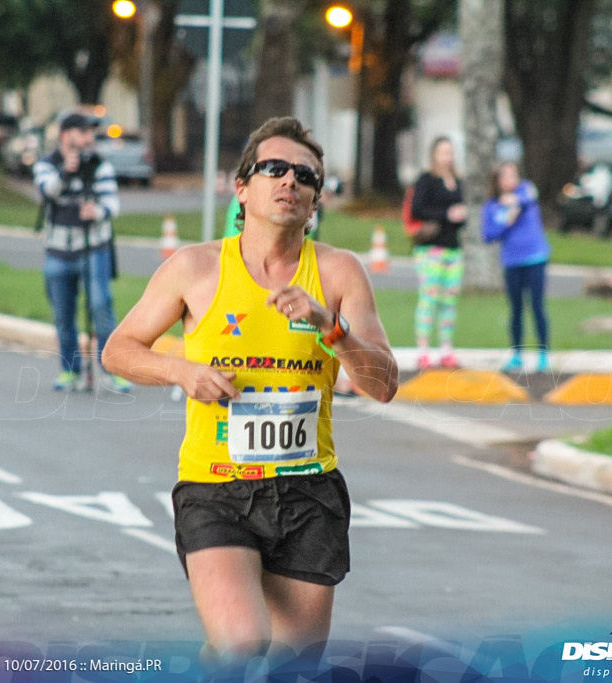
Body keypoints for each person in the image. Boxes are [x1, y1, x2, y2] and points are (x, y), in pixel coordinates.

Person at [102, 117, 398, 665]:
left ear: (315, 202)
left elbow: (381, 385)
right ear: (242, 188)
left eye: (305, 176)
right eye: (274, 169)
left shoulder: (337, 274)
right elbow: (118, 350)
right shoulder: (196, 267)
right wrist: (183, 372)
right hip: (216, 488)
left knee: (294, 666)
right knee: (242, 645)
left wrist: (329, 328)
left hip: (309, 492)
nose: (291, 181)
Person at [34, 112, 131, 393]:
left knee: (101, 305)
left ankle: (112, 369)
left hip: (93, 248)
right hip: (58, 252)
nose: (90, 138)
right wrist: (66, 171)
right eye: (83, 132)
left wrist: (98, 211)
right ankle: (70, 370)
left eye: (91, 132)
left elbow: (113, 203)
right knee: (63, 313)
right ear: (66, 136)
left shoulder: (99, 166)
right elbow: (47, 191)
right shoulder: (47, 164)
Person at [480, 162, 551, 373]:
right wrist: (506, 220)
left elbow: (530, 198)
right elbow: (488, 234)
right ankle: (517, 354)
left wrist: (515, 201)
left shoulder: (526, 189)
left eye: (514, 175)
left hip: (535, 257)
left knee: (537, 306)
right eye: (506, 177)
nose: (511, 180)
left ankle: (543, 354)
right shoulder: (492, 206)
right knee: (516, 309)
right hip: (512, 261)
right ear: (498, 181)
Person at [410, 136, 467, 370]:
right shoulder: (427, 179)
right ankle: (423, 350)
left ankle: (446, 349)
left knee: (449, 300)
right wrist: (446, 214)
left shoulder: (457, 181)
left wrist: (460, 216)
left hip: (453, 248)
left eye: (450, 152)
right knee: (430, 298)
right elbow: (417, 209)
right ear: (434, 154)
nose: (447, 156)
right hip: (431, 248)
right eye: (443, 152)